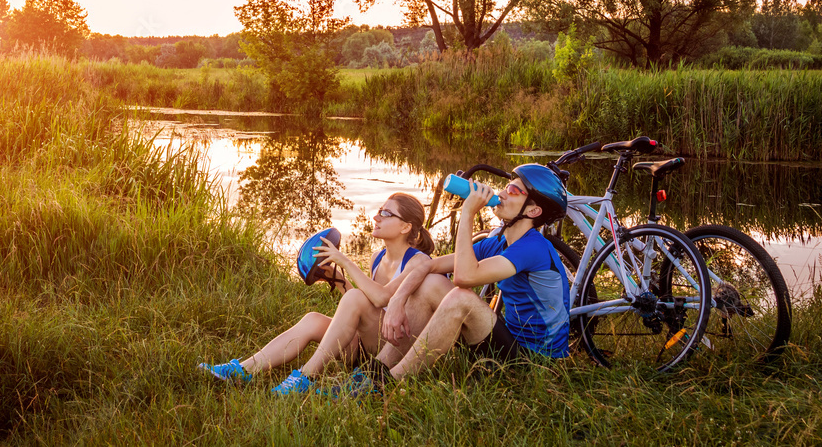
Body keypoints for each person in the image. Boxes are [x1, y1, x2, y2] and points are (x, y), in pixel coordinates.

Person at [325, 164, 570, 397]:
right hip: (509, 340)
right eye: (506, 186)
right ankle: (375, 371)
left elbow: (464, 277)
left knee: (460, 297)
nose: (503, 192)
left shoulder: (533, 247)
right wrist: (398, 299)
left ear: (533, 211)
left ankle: (388, 383)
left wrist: (467, 213)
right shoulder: (499, 242)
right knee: (430, 281)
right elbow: (429, 264)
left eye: (514, 191)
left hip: (537, 360)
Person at [196, 192, 453, 395]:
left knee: (355, 298)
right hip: (367, 343)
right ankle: (243, 369)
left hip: (392, 347)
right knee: (313, 319)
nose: (376, 217)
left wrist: (346, 261)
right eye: (378, 211)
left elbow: (381, 298)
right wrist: (338, 279)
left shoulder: (418, 262)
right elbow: (363, 305)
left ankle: (305, 378)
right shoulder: (378, 257)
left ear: (405, 227)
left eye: (386, 214)